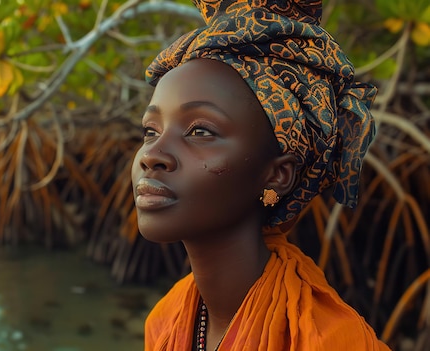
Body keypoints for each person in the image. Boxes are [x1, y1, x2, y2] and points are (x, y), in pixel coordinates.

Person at [130, 0, 391, 350]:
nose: (152, 155)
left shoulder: (328, 340)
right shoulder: (165, 320)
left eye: (200, 131)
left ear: (278, 175)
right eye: (150, 131)